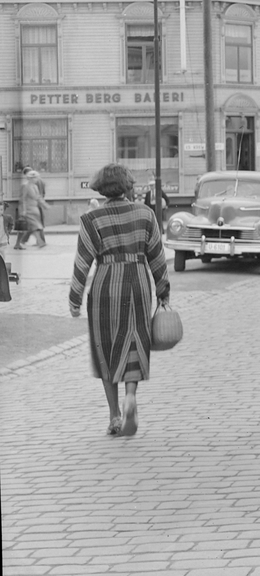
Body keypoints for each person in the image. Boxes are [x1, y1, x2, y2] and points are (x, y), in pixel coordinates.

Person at [68, 163, 171, 437]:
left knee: (107, 347)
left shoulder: (91, 220)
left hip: (105, 286)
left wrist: (75, 298)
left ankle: (114, 415)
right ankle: (131, 397)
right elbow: (157, 258)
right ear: (128, 187)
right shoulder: (146, 214)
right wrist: (163, 290)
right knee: (134, 341)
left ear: (101, 189)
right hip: (137, 282)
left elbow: (82, 263)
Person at [13, 169, 47, 249]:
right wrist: (23, 210)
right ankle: (40, 242)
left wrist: (44, 204)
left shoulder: (35, 186)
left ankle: (18, 244)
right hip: (28, 210)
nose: (36, 179)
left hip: (34, 209)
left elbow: (38, 197)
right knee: (35, 226)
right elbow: (23, 199)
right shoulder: (25, 186)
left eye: (36, 177)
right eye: (35, 177)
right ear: (30, 178)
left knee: (25, 228)